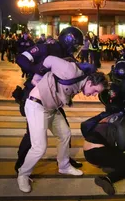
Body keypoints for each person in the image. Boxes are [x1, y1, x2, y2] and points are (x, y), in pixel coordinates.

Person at [17, 55, 108, 193]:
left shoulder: (81, 82)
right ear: (89, 83)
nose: (94, 95)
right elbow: (49, 59)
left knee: (65, 134)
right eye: (95, 91)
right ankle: (23, 174)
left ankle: (64, 166)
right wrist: (36, 78)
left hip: (51, 108)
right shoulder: (71, 71)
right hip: (37, 105)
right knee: (39, 147)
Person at [14, 27, 85, 173]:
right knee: (32, 133)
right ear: (68, 40)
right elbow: (21, 58)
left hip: (53, 97)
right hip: (35, 94)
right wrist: (37, 70)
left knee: (64, 130)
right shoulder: (46, 48)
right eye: (76, 45)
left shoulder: (67, 54)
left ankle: (64, 159)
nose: (76, 49)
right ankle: (21, 162)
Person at [82, 111, 125, 195]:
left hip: (89, 152)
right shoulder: (122, 121)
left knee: (123, 159)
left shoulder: (112, 116)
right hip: (98, 152)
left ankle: (110, 166)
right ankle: (106, 179)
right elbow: (122, 145)